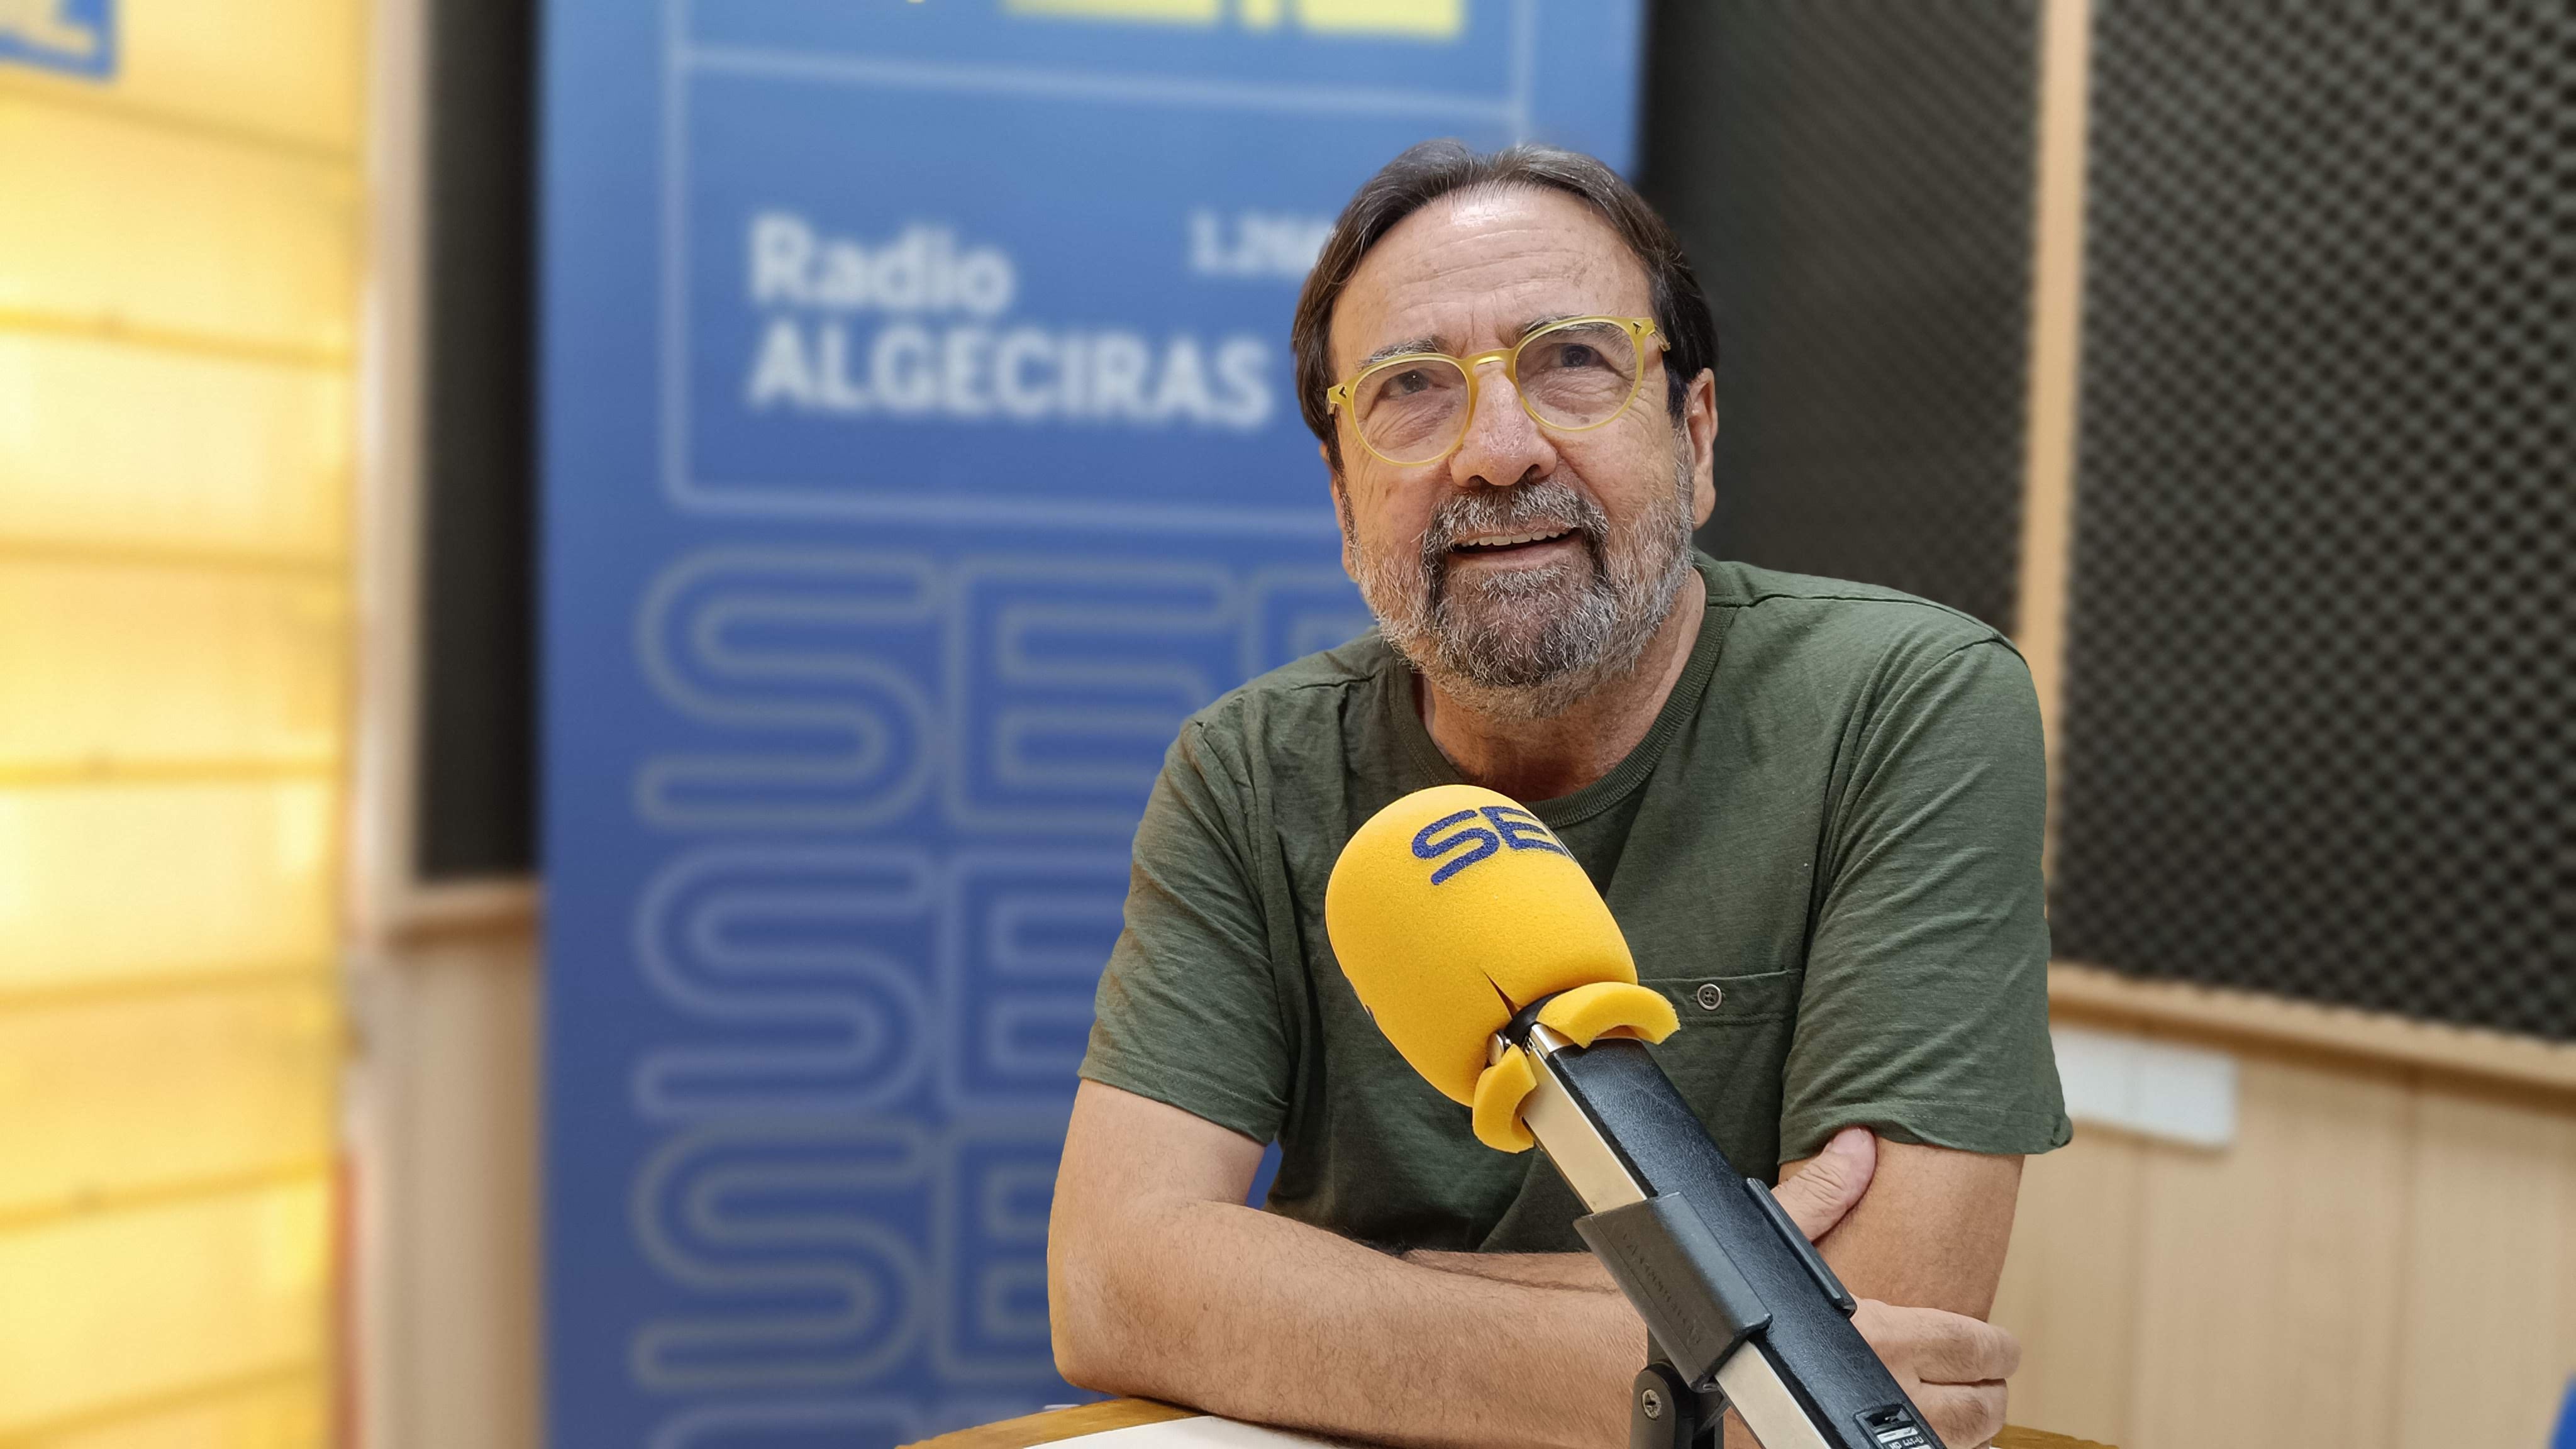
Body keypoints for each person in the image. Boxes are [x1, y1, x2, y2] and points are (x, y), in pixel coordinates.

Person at [1047, 139, 2067, 1449]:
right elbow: (1107, 1285)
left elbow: (1874, 1347)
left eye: (1572, 362)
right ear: (1341, 495)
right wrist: (1715, 1332)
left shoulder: (1905, 702)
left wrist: (1316, 1288)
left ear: (1692, 434)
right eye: (1411, 389)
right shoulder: (1248, 768)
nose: (1495, 450)